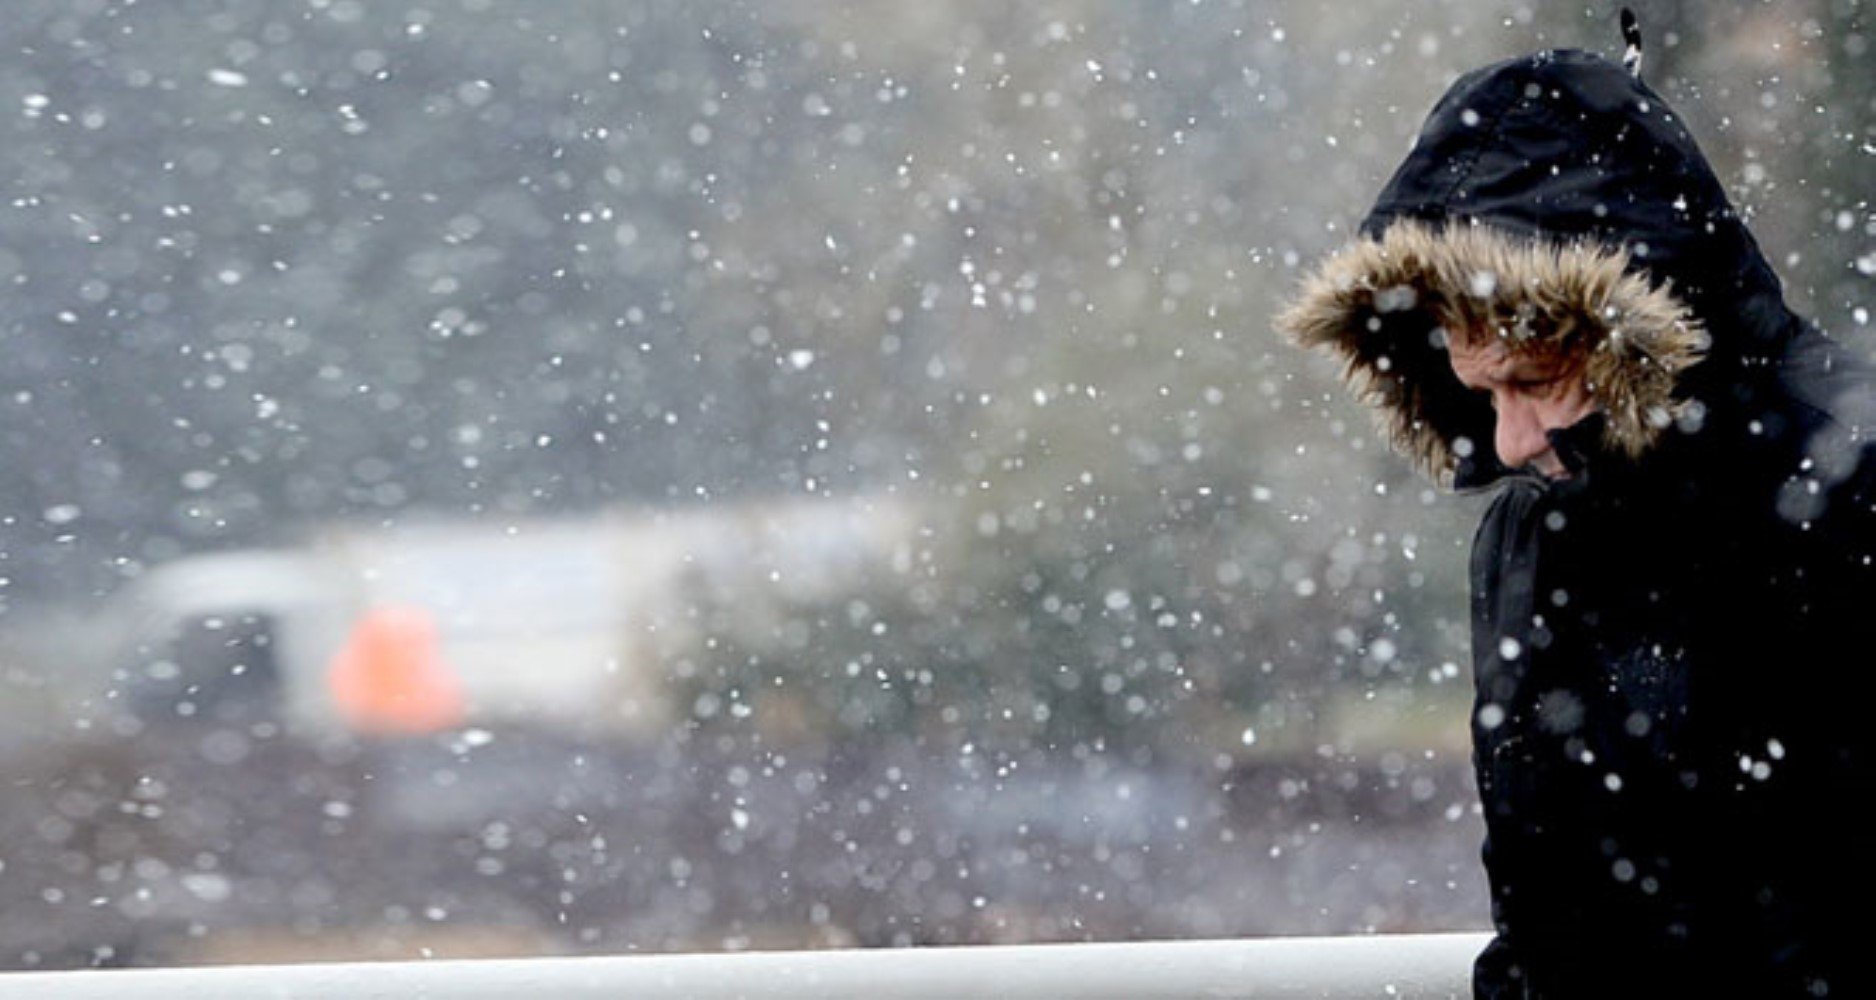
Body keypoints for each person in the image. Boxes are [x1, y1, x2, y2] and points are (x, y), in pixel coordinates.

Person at [1277, 21, 1874, 1000]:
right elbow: (1544, 920)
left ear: (1632, 327)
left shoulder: (1846, 496)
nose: (1507, 441)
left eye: (1533, 380)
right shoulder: (1530, 538)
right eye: (1480, 391)